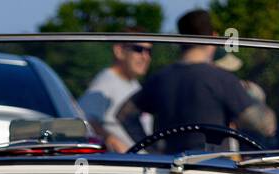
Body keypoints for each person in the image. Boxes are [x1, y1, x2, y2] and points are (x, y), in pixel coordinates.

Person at [118, 9, 254, 152]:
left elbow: (125, 114)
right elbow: (265, 125)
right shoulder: (223, 79)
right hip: (214, 168)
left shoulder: (160, 78)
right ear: (213, 37)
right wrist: (253, 95)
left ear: (181, 40)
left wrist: (153, 149)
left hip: (170, 167)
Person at [78, 31, 153, 152]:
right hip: (123, 166)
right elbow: (83, 120)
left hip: (142, 164)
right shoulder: (105, 84)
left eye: (149, 51)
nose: (146, 57)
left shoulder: (135, 86)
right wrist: (111, 140)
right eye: (138, 49)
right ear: (119, 51)